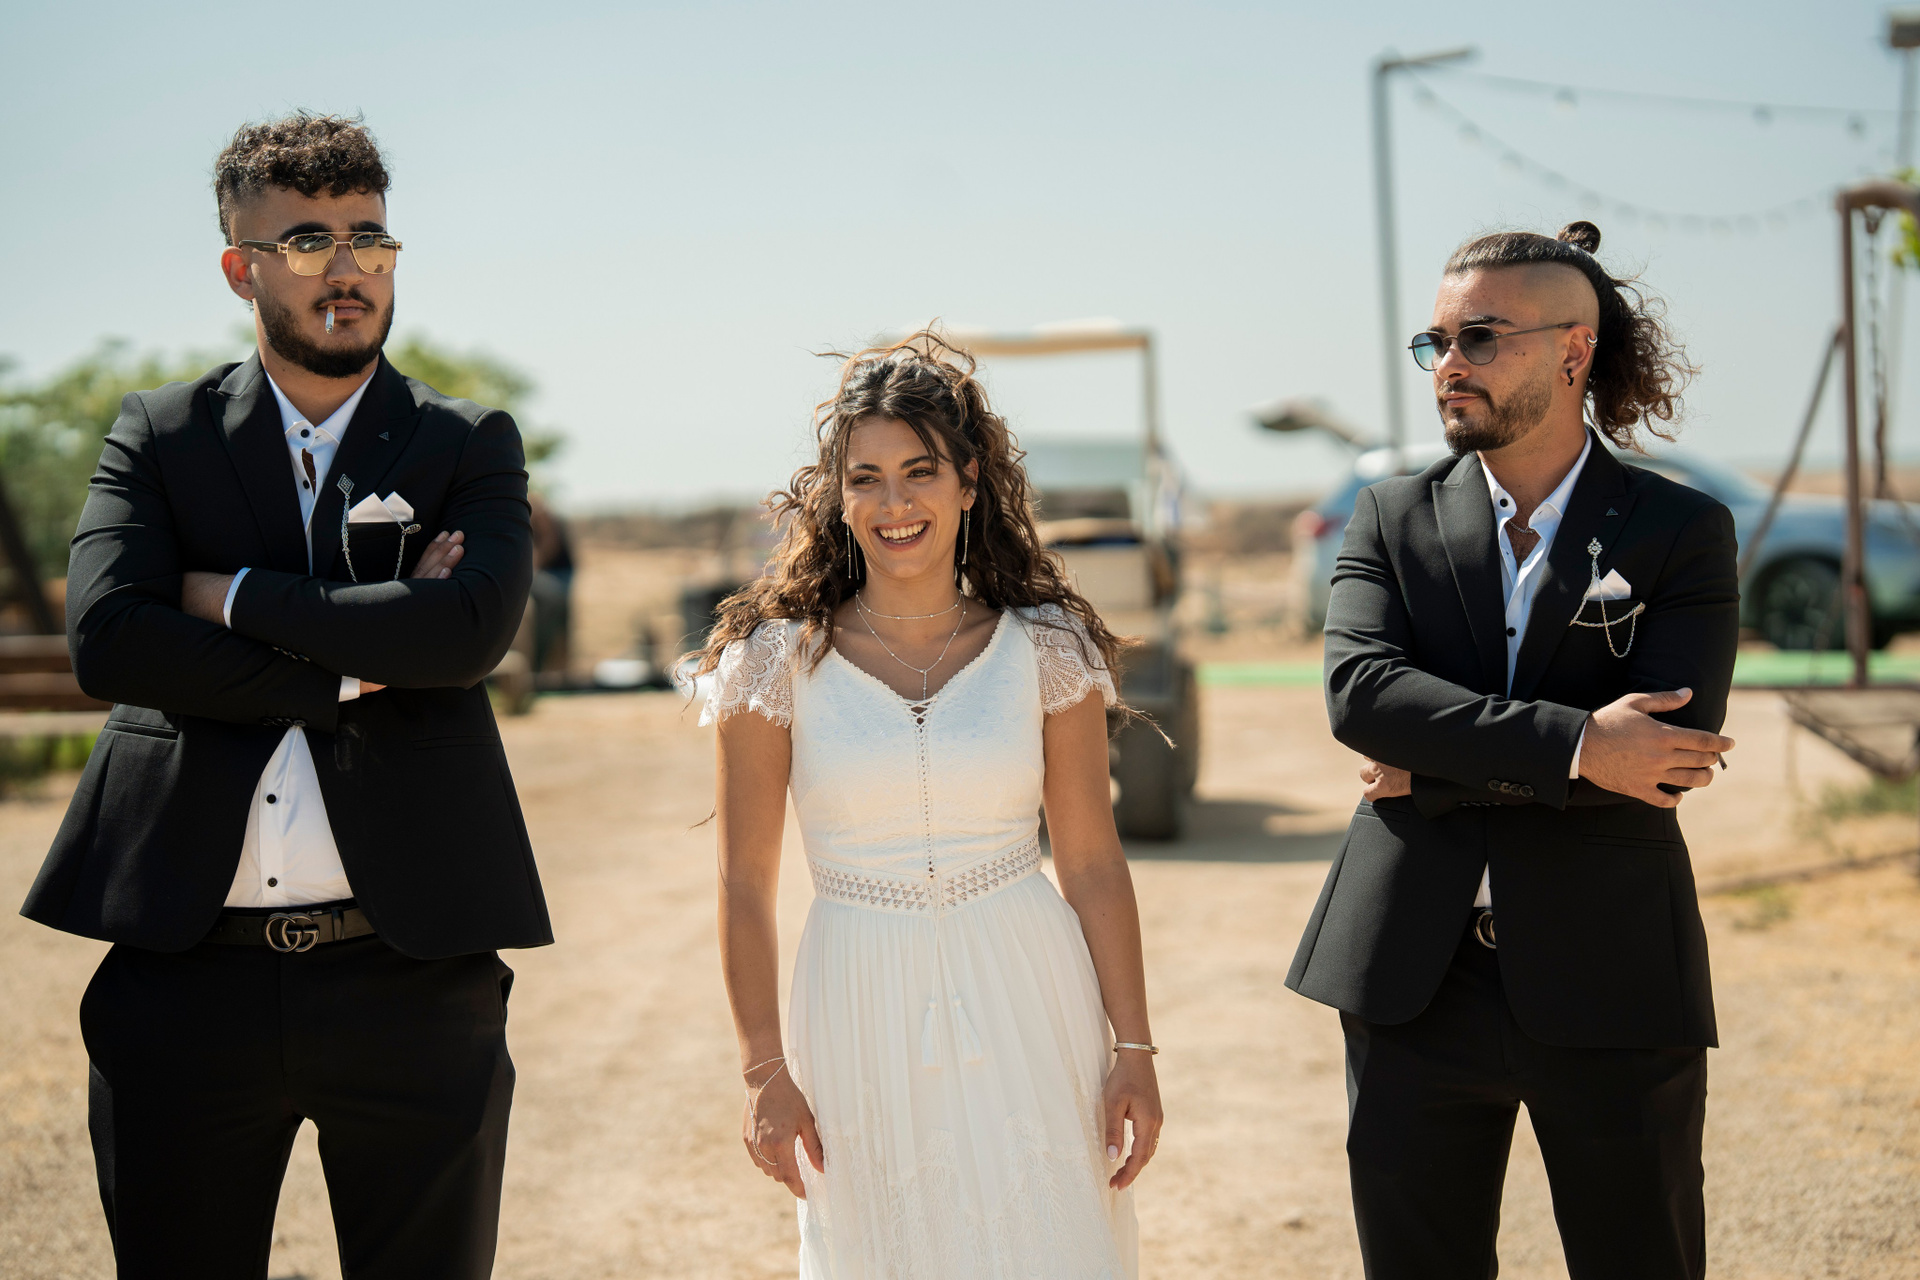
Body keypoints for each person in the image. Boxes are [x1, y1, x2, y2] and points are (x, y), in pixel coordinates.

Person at [20, 113, 548, 1279]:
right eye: (307, 240)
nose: (347, 267)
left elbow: (467, 633)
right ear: (239, 267)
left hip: (413, 977)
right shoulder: (160, 434)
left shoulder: (465, 441)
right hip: (182, 977)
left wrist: (230, 595)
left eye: (370, 237)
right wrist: (363, 659)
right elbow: (112, 640)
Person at [1286, 221, 1739, 1280]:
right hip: (1410, 972)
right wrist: (1581, 742)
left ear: (1574, 350)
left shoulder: (1680, 529)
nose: (1450, 364)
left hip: (1612, 966)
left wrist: (1433, 767)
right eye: (1436, 341)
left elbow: (1665, 754)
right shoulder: (1388, 517)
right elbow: (1362, 696)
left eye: (1480, 337)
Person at [694, 331, 1162, 1278]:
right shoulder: (773, 661)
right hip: (856, 997)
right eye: (865, 479)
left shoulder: (1048, 647)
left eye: (920, 472)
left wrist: (1135, 1047)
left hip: (1029, 989)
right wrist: (762, 1070)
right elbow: (743, 883)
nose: (894, 504)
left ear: (969, 481)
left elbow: (1091, 863)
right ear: (837, 496)